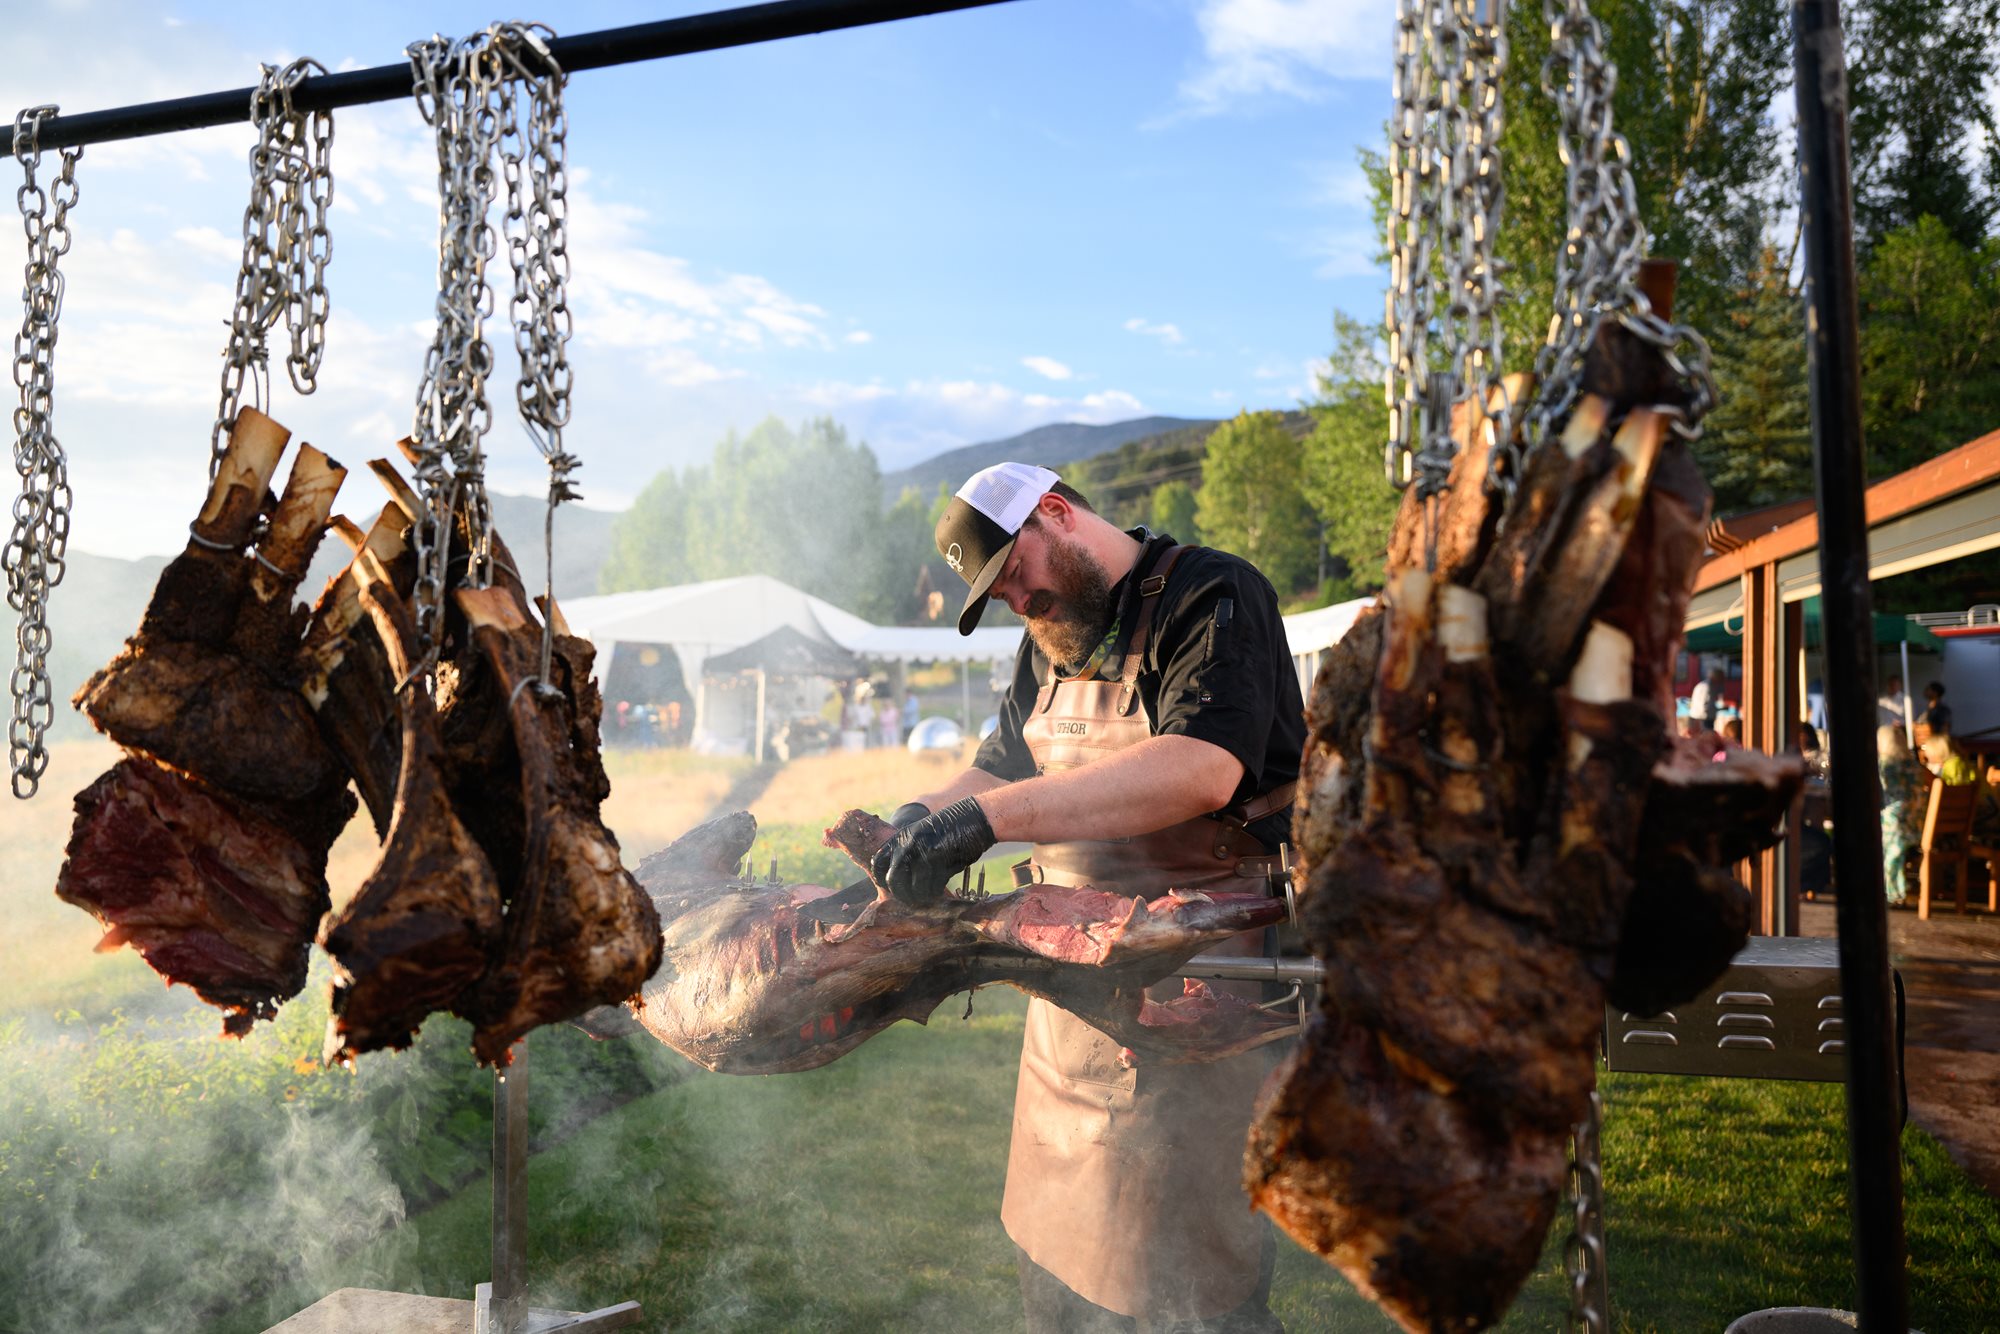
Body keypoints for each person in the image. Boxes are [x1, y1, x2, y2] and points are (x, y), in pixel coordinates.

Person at [875, 461, 1302, 1333]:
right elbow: (999, 767)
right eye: (995, 593)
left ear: (1056, 514)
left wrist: (985, 822)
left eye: (1014, 575)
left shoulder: (1214, 593)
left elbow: (1202, 765)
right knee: (1056, 1282)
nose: (1014, 601)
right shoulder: (1054, 641)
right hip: (1068, 1012)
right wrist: (914, 821)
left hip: (1200, 986)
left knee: (1188, 1295)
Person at [1878, 724, 1928, 906]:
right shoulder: (1913, 764)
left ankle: (1892, 891)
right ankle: (1896, 890)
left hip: (1896, 824)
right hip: (1917, 823)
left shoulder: (1886, 764)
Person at [1688, 666, 1728, 730]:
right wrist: (1719, 709)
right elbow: (1705, 706)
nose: (1722, 681)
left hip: (1700, 718)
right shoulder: (1708, 687)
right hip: (1702, 719)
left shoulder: (1706, 685)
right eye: (1722, 679)